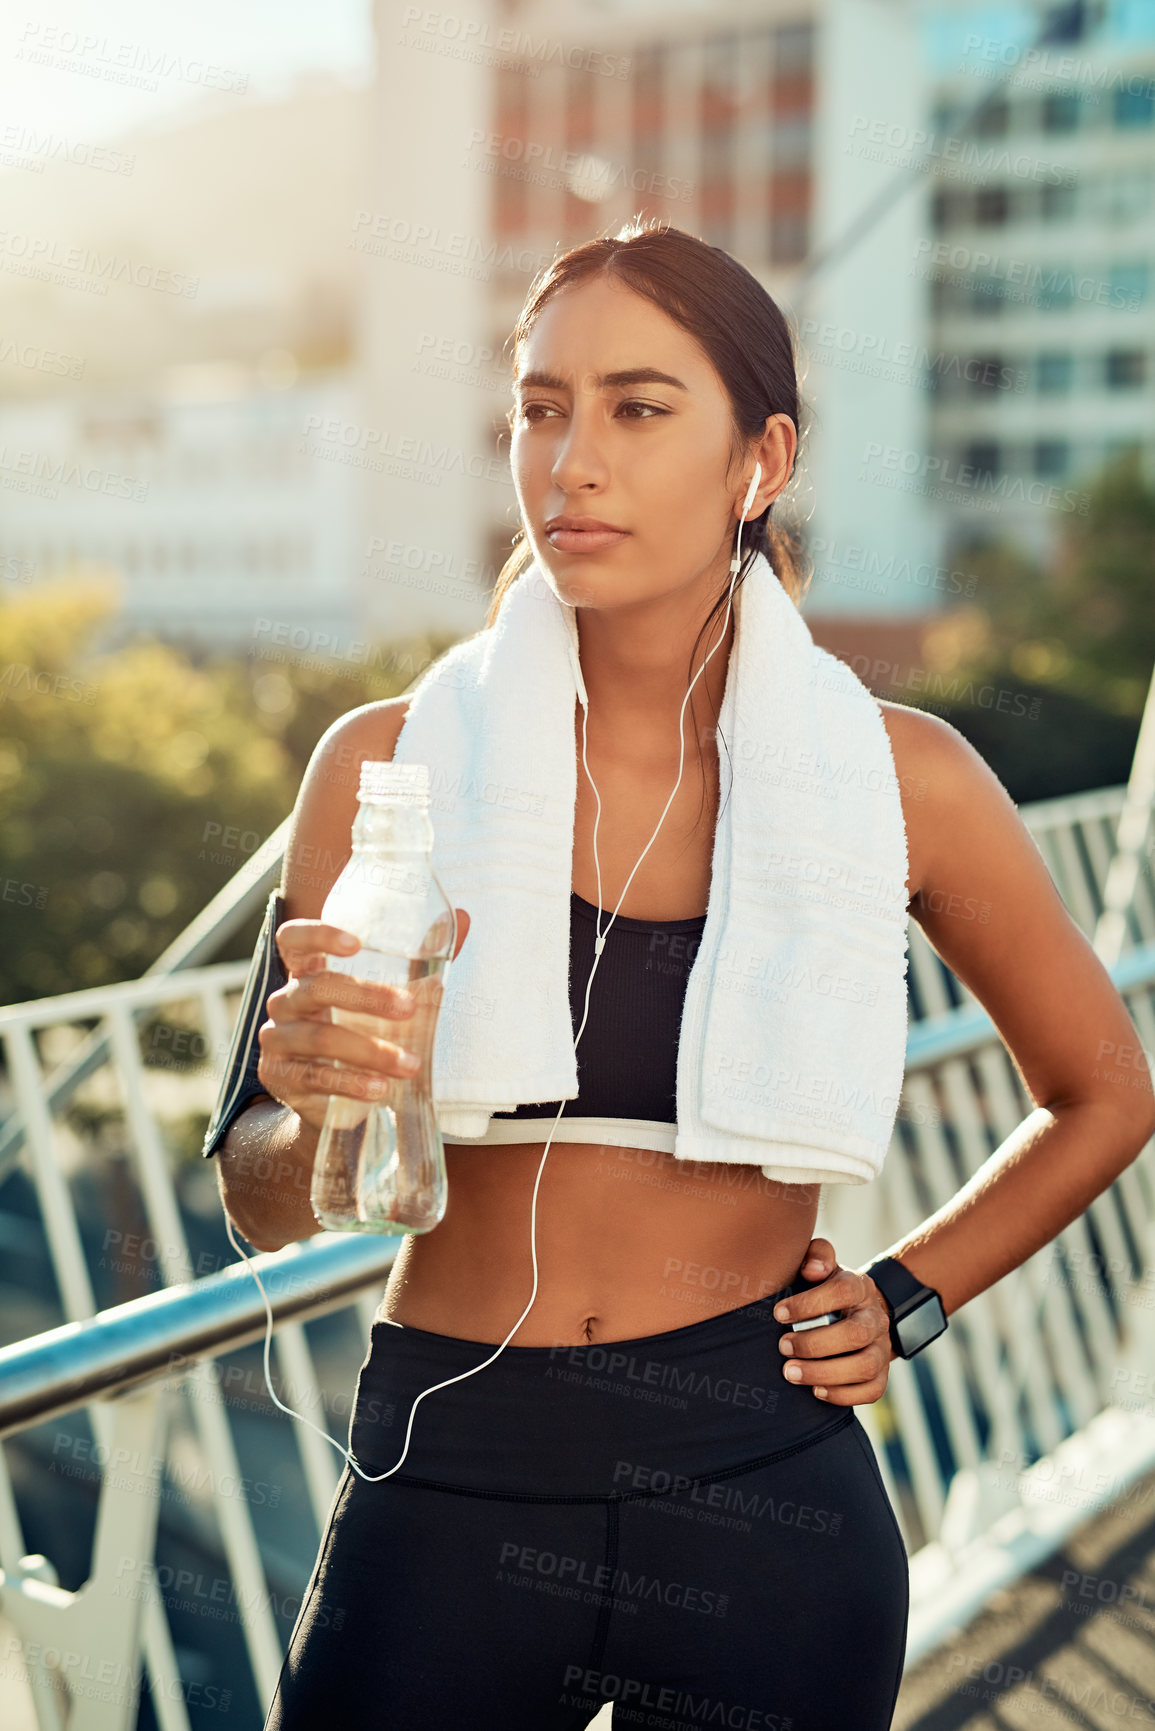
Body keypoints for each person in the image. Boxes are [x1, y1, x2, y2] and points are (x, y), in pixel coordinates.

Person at [205, 220, 1155, 1730]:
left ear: (759, 458)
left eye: (640, 410)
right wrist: (319, 1108)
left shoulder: (901, 778)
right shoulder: (388, 771)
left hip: (762, 1483)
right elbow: (259, 1194)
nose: (572, 460)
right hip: (452, 1466)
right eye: (539, 407)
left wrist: (910, 1296)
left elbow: (1104, 1090)